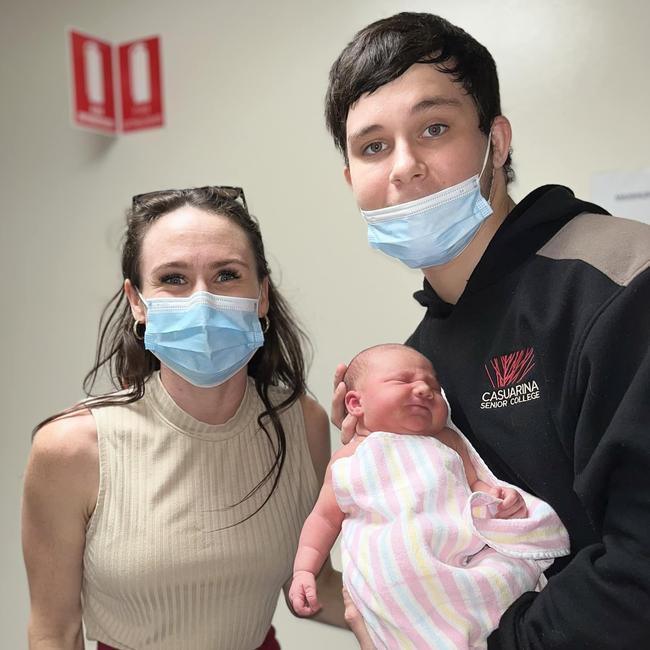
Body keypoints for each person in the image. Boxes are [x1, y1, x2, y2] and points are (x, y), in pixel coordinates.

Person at [324, 12, 650, 650]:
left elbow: (639, 569)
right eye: (372, 146)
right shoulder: (420, 361)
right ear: (350, 181)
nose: (404, 167)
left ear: (496, 143)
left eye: (434, 128)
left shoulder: (617, 282)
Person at [21, 186, 347, 650]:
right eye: (173, 278)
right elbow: (56, 631)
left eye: (227, 275)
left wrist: (448, 604)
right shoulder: (70, 450)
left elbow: (313, 588)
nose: (203, 300)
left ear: (261, 296)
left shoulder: (303, 422)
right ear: (137, 302)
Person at [290, 344, 569, 649]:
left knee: (505, 575)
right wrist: (305, 569)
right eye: (403, 381)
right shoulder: (349, 459)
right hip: (397, 577)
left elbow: (476, 483)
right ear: (355, 403)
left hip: (459, 558)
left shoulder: (446, 441)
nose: (423, 389)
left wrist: (497, 497)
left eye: (434, 388)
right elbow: (323, 517)